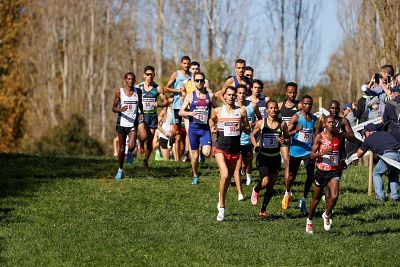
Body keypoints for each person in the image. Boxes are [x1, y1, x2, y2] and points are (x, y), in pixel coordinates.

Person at [209, 86, 250, 222]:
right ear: (224, 96)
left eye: (233, 95)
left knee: (227, 180)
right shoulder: (219, 111)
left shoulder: (241, 111)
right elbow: (211, 120)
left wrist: (242, 127)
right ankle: (222, 208)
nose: (231, 97)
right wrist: (213, 128)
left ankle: (221, 197)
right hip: (221, 148)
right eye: (229, 95)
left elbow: (248, 128)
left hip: (235, 150)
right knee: (225, 175)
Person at [306, 115, 347, 234]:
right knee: (316, 199)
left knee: (334, 196)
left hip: (334, 170)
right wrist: (322, 153)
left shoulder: (339, 137)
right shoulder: (320, 137)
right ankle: (309, 221)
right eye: (329, 122)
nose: (331, 124)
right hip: (321, 171)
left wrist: (343, 161)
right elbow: (311, 155)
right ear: (324, 124)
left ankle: (327, 214)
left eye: (333, 122)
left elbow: (342, 152)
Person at [250, 100, 289, 218]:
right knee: (265, 181)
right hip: (263, 156)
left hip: (275, 158)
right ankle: (256, 189)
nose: (273, 110)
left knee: (271, 186)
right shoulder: (261, 123)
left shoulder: (282, 124)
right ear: (267, 110)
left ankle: (263, 208)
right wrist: (256, 146)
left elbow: (287, 139)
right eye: (271, 108)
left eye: (275, 108)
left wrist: (284, 140)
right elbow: (252, 135)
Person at [179, 72, 216, 185]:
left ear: (204, 82)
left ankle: (202, 152)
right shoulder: (190, 96)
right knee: (194, 157)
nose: (199, 82)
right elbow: (181, 112)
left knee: (207, 152)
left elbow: (217, 109)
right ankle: (195, 175)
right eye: (197, 80)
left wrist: (215, 123)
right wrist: (190, 113)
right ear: (194, 82)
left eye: (201, 80)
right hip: (193, 129)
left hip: (205, 129)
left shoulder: (210, 95)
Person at [282, 95, 317, 215]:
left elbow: (315, 133)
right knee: (291, 176)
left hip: (308, 151)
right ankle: (287, 192)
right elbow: (286, 134)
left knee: (310, 176)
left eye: (310, 104)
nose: (308, 106)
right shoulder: (296, 117)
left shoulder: (314, 118)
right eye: (306, 103)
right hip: (296, 151)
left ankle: (303, 200)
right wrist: (295, 130)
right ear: (301, 104)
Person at [112, 72, 144, 180]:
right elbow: (114, 108)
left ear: (135, 80)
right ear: (125, 80)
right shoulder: (119, 92)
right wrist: (120, 109)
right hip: (121, 123)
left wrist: (142, 113)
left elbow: (140, 104)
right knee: (121, 148)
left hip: (132, 123)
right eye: (128, 79)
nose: (130, 81)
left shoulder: (138, 92)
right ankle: (120, 170)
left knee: (130, 145)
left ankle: (131, 153)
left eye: (132, 79)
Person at [357, 123, 400, 201]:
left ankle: (380, 196)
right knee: (393, 174)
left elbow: (359, 154)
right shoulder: (385, 133)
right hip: (398, 155)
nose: (364, 134)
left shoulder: (369, 139)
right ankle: (395, 196)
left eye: (365, 132)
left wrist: (363, 145)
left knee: (376, 173)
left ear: (369, 132)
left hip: (387, 155)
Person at [181, 61, 213, 162]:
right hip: (190, 110)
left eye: (197, 69)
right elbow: (183, 95)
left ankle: (201, 149)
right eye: (193, 69)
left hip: (203, 111)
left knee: (200, 134)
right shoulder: (186, 82)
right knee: (189, 132)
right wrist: (184, 98)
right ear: (190, 70)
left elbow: (209, 93)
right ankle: (190, 154)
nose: (195, 70)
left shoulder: (205, 81)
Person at [233, 84, 261, 196]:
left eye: (243, 93)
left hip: (249, 138)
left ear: (247, 94)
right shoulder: (233, 106)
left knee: (247, 161)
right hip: (236, 139)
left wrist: (254, 124)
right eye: (239, 93)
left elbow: (260, 119)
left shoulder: (252, 106)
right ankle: (240, 192)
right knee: (238, 164)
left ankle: (247, 172)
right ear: (236, 94)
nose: (241, 95)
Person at [137, 66, 167, 169]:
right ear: (144, 75)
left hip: (152, 116)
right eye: (148, 74)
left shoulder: (157, 88)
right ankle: (140, 142)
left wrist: (159, 104)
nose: (150, 76)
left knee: (150, 140)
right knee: (144, 136)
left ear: (154, 75)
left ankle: (145, 161)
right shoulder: (138, 87)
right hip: (142, 116)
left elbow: (166, 101)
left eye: (152, 74)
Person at [165, 56, 191, 161]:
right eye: (184, 63)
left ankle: (186, 153)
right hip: (177, 106)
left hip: (187, 107)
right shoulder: (176, 74)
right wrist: (177, 90)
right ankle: (176, 159)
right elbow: (166, 88)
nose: (186, 65)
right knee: (177, 133)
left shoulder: (191, 76)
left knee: (189, 131)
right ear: (181, 64)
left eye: (188, 63)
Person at [278, 82, 302, 192]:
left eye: (294, 92)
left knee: (293, 166)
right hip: (285, 138)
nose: (292, 95)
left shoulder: (300, 105)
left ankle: (289, 185)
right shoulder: (280, 105)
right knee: (287, 161)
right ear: (286, 92)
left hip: (296, 137)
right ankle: (287, 190)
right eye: (290, 92)